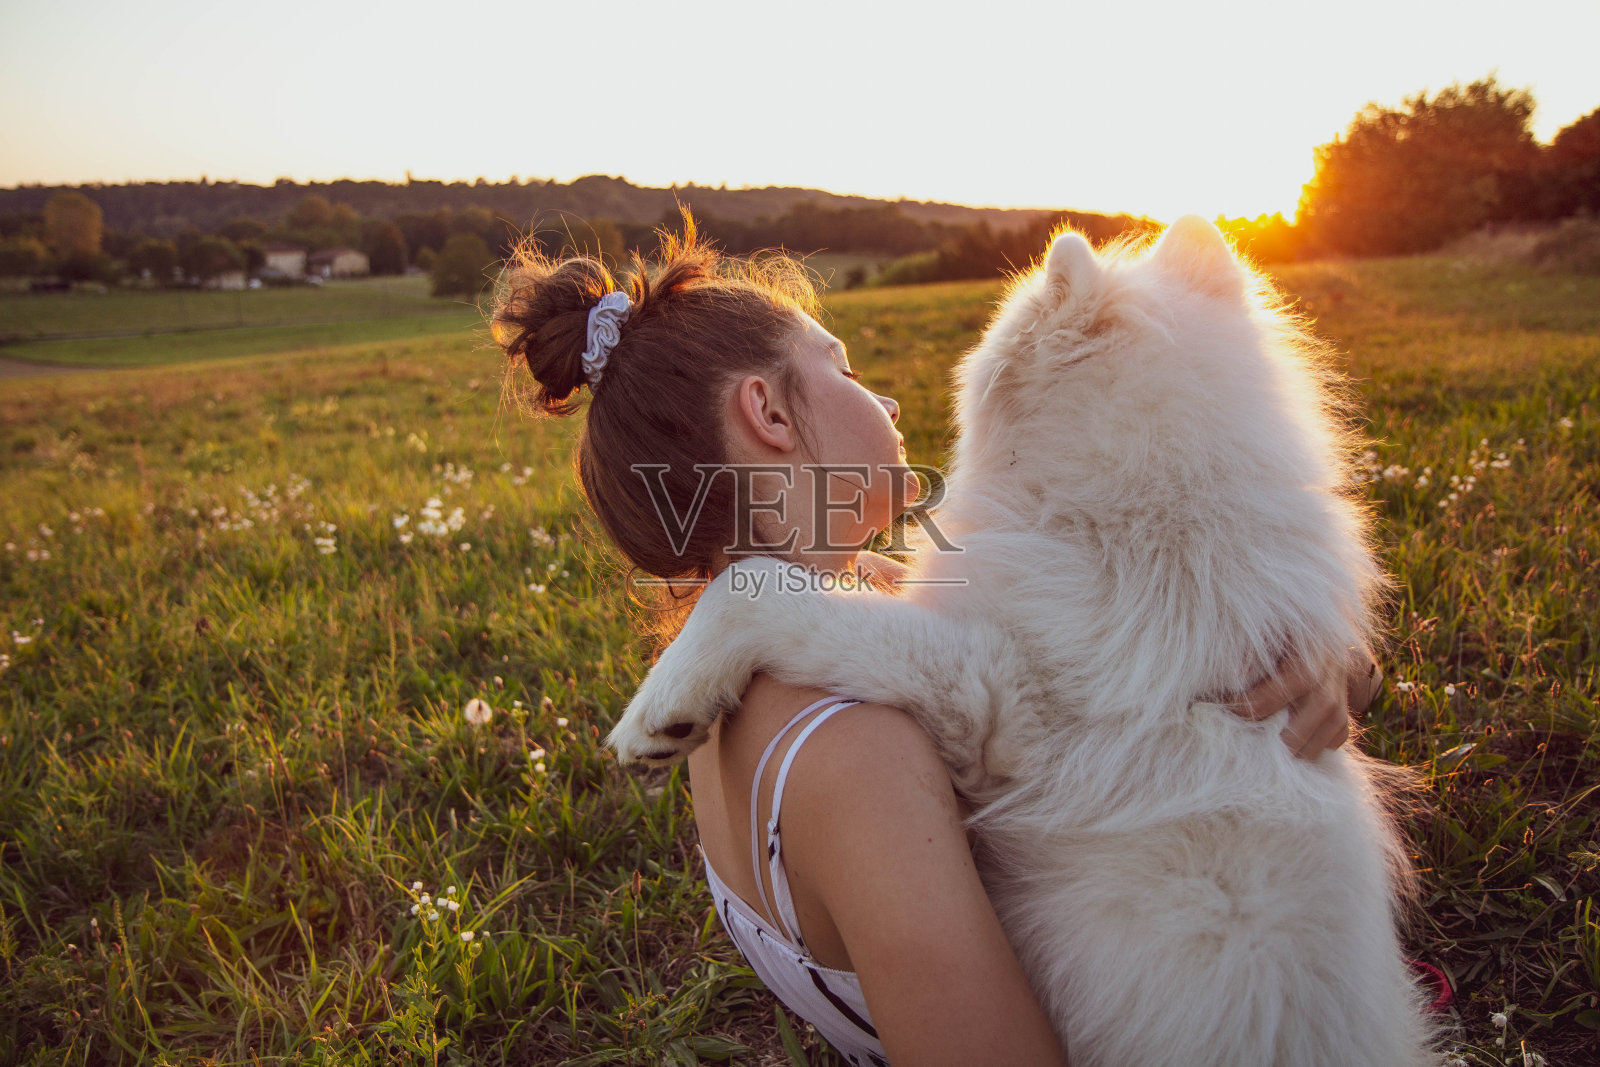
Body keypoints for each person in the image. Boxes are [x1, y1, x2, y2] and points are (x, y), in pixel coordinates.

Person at [493, 222, 1381, 1065]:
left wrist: (1311, 655)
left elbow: (1068, 664)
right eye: (842, 368)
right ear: (766, 410)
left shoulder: (720, 675)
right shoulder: (861, 750)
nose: (883, 398)